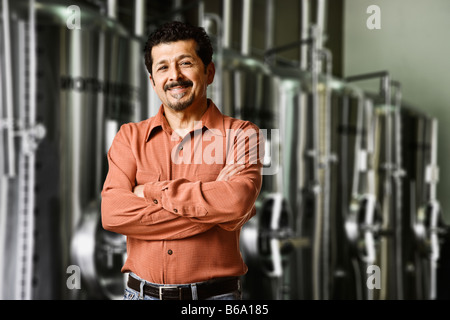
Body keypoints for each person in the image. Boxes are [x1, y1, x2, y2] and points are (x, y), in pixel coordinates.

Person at [101, 20, 264, 300]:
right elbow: (112, 214)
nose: (174, 76)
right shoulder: (129, 136)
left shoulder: (243, 134)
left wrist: (150, 192)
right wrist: (218, 216)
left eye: (185, 63)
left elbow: (236, 202)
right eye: (162, 67)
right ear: (153, 81)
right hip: (139, 295)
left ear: (209, 72)